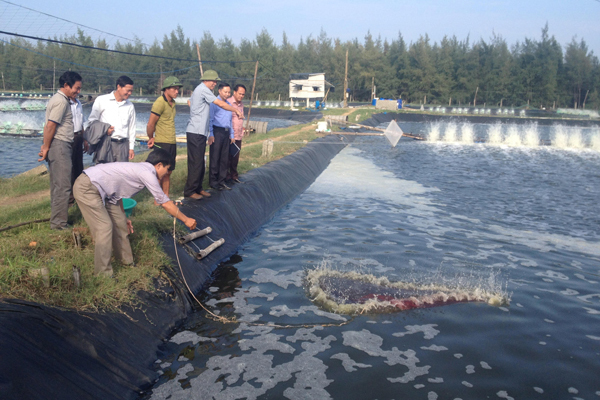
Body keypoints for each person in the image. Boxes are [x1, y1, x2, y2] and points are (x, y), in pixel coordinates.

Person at [72, 148, 197, 277]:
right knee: (104, 227)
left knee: (120, 222)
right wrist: (186, 220)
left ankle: (126, 263)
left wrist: (123, 217)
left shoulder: (141, 169)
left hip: (105, 191)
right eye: (167, 169)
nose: (166, 174)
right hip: (87, 187)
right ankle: (103, 274)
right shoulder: (147, 173)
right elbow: (164, 202)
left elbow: (117, 193)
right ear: (159, 165)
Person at [184, 70, 243, 200]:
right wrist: (235, 110)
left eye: (216, 81)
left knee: (200, 162)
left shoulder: (201, 90)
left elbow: (191, 102)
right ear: (206, 80)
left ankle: (198, 188)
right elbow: (219, 104)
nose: (215, 84)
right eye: (214, 81)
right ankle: (190, 190)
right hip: (195, 131)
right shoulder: (203, 89)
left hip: (200, 131)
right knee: (196, 162)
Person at [38, 71, 82, 230]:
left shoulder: (63, 100)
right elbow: (50, 126)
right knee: (63, 185)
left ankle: (58, 219)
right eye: (76, 88)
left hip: (63, 144)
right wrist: (46, 147)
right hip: (60, 145)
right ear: (66, 85)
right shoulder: (61, 102)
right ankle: (58, 224)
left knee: (59, 185)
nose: (78, 91)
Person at [146, 76, 182, 199]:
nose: (177, 91)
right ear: (166, 89)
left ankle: (165, 196)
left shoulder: (173, 103)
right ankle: (158, 198)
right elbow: (151, 124)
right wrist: (151, 137)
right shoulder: (159, 102)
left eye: (178, 89)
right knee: (159, 172)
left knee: (169, 171)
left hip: (171, 140)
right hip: (161, 142)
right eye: (174, 89)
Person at [87, 75, 136, 162]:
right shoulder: (102, 100)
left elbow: (132, 128)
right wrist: (105, 129)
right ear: (119, 87)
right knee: (104, 172)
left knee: (121, 173)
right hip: (106, 143)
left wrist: (131, 148)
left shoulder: (130, 106)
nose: (130, 93)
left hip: (123, 145)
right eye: (128, 90)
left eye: (131, 91)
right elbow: (92, 121)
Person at [209, 82, 234, 190]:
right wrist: (211, 134)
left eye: (229, 92)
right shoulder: (214, 103)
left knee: (224, 158)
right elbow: (210, 119)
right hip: (217, 131)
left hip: (226, 132)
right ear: (219, 91)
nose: (227, 94)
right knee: (215, 157)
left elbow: (230, 121)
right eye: (225, 92)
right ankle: (213, 181)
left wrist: (232, 134)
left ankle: (222, 180)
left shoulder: (229, 105)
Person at [226, 84, 246, 184]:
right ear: (234, 92)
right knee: (227, 157)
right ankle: (226, 176)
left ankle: (234, 175)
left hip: (238, 134)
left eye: (243, 94)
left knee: (235, 157)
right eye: (239, 94)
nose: (241, 96)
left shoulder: (241, 104)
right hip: (230, 134)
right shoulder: (228, 102)